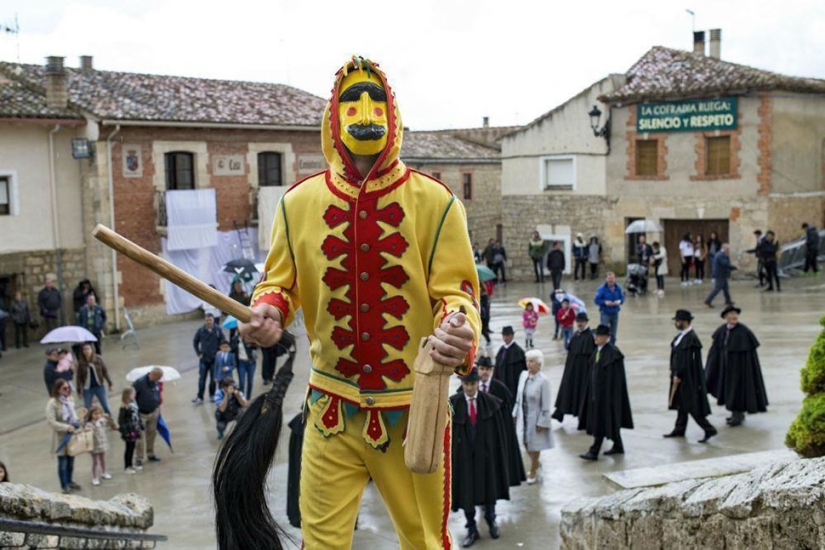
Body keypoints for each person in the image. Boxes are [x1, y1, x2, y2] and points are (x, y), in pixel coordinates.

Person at [236, 57, 480, 549]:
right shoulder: (297, 203)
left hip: (416, 412)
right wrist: (267, 311)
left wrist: (458, 326)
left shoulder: (436, 203)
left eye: (375, 101)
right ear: (332, 118)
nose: (364, 111)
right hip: (330, 410)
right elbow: (279, 284)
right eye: (351, 101)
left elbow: (457, 292)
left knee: (425, 542)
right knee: (319, 545)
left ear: (393, 116)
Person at [450, 369, 511, 547]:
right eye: (466, 384)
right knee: (467, 492)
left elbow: (499, 434)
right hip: (464, 458)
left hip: (486, 457)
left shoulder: (490, 402)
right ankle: (471, 528)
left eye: (473, 383)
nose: (469, 387)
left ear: (478, 383)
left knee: (489, 489)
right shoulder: (453, 403)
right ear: (462, 384)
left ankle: (491, 522)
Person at [705, 306, 768, 427]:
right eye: (731, 314)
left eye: (735, 314)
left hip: (740, 369)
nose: (734, 316)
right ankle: (737, 413)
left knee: (738, 390)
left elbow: (749, 354)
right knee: (729, 390)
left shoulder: (744, 332)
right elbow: (716, 349)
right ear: (725, 317)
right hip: (726, 367)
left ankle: (737, 415)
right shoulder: (722, 330)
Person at [578, 325, 633, 460]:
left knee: (601, 422)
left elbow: (615, 380)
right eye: (595, 335)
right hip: (597, 394)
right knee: (608, 421)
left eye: (598, 335)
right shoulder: (598, 351)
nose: (595, 338)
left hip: (607, 397)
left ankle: (594, 451)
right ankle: (618, 446)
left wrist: (608, 396)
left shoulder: (613, 353)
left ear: (607, 337)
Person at [663, 310, 717, 443]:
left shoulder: (691, 339)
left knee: (691, 405)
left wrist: (678, 374)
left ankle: (708, 429)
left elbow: (686, 361)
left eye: (678, 321)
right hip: (679, 376)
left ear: (685, 322)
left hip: (687, 378)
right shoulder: (681, 337)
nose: (676, 323)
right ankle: (679, 429)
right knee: (681, 404)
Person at [513, 349, 554, 483]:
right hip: (523, 415)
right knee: (525, 442)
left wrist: (542, 422)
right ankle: (536, 463)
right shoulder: (523, 376)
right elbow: (518, 397)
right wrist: (514, 413)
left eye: (532, 361)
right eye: (527, 361)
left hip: (535, 417)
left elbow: (546, 404)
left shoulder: (543, 381)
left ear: (539, 364)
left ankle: (533, 471)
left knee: (535, 445)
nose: (528, 364)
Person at [552, 312, 595, 422]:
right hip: (572, 369)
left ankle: (583, 416)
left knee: (581, 393)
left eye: (581, 322)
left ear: (586, 322)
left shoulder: (590, 336)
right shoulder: (575, 335)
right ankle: (560, 412)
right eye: (578, 322)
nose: (579, 324)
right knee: (567, 389)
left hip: (583, 371)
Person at [45, 379, 81, 494]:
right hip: (60, 436)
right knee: (63, 463)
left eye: (68, 387)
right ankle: (64, 486)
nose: (67, 390)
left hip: (71, 435)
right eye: (64, 388)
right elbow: (51, 421)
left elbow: (73, 416)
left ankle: (70, 481)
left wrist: (79, 418)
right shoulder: (52, 403)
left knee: (71, 460)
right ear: (58, 390)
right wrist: (66, 427)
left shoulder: (70, 400)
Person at [133, 367, 163, 467]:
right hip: (141, 413)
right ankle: (139, 457)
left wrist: (158, 406)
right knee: (139, 437)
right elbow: (131, 397)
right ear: (152, 375)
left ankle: (150, 453)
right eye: (157, 378)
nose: (158, 381)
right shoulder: (139, 383)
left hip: (153, 412)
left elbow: (158, 393)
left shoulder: (156, 383)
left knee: (152, 433)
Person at [192, 313, 224, 404]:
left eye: (210, 320)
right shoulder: (201, 330)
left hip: (214, 359)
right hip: (204, 359)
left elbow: (223, 341)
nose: (208, 322)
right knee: (202, 379)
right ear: (204, 320)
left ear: (213, 320)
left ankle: (212, 395)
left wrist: (220, 351)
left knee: (213, 379)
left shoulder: (218, 330)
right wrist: (198, 353)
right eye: (207, 320)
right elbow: (195, 342)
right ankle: (200, 396)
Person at [76, 342, 114, 415]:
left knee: (105, 406)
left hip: (99, 386)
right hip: (88, 389)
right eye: (84, 349)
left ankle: (111, 421)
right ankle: (88, 423)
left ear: (92, 350)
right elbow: (79, 378)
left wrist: (110, 383)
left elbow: (105, 372)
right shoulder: (81, 363)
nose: (86, 351)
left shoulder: (98, 359)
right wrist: (79, 391)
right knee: (87, 407)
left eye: (88, 349)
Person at [494, 326, 527, 398]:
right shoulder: (501, 350)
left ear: (512, 335)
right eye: (504, 335)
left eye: (508, 335)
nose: (506, 338)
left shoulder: (518, 351)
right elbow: (496, 369)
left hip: (513, 386)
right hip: (502, 385)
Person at [594, 272, 624, 345]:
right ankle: (603, 346)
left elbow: (622, 298)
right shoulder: (601, 289)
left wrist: (619, 301)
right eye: (609, 279)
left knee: (613, 333)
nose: (611, 280)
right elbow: (596, 300)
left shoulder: (618, 288)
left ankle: (612, 347)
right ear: (606, 279)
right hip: (605, 313)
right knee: (604, 332)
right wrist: (605, 302)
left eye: (612, 278)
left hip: (615, 313)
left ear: (615, 279)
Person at [85, 406, 112, 486]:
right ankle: (95, 477)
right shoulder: (89, 424)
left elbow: (110, 423)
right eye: (95, 414)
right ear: (91, 415)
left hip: (102, 444)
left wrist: (108, 418)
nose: (98, 415)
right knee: (95, 461)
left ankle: (104, 472)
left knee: (103, 459)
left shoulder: (102, 421)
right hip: (94, 445)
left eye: (99, 413)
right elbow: (87, 431)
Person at [118, 387, 143, 474]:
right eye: (133, 394)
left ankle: (131, 464)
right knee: (128, 448)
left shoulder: (134, 404)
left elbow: (137, 415)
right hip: (129, 430)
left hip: (135, 428)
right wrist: (125, 431)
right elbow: (121, 421)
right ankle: (127, 466)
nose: (135, 395)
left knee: (132, 447)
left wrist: (141, 425)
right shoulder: (124, 407)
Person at [704, 243, 737, 308]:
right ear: (724, 248)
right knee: (717, 288)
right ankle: (708, 300)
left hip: (722, 274)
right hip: (720, 274)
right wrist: (735, 267)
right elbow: (725, 264)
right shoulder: (720, 255)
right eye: (727, 249)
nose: (728, 250)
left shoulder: (722, 254)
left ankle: (728, 300)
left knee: (726, 288)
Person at [231, 331, 258, 397]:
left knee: (250, 381)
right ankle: (242, 397)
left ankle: (248, 398)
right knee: (242, 382)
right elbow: (232, 349)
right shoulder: (235, 339)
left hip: (251, 362)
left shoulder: (249, 338)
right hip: (241, 363)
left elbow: (256, 347)